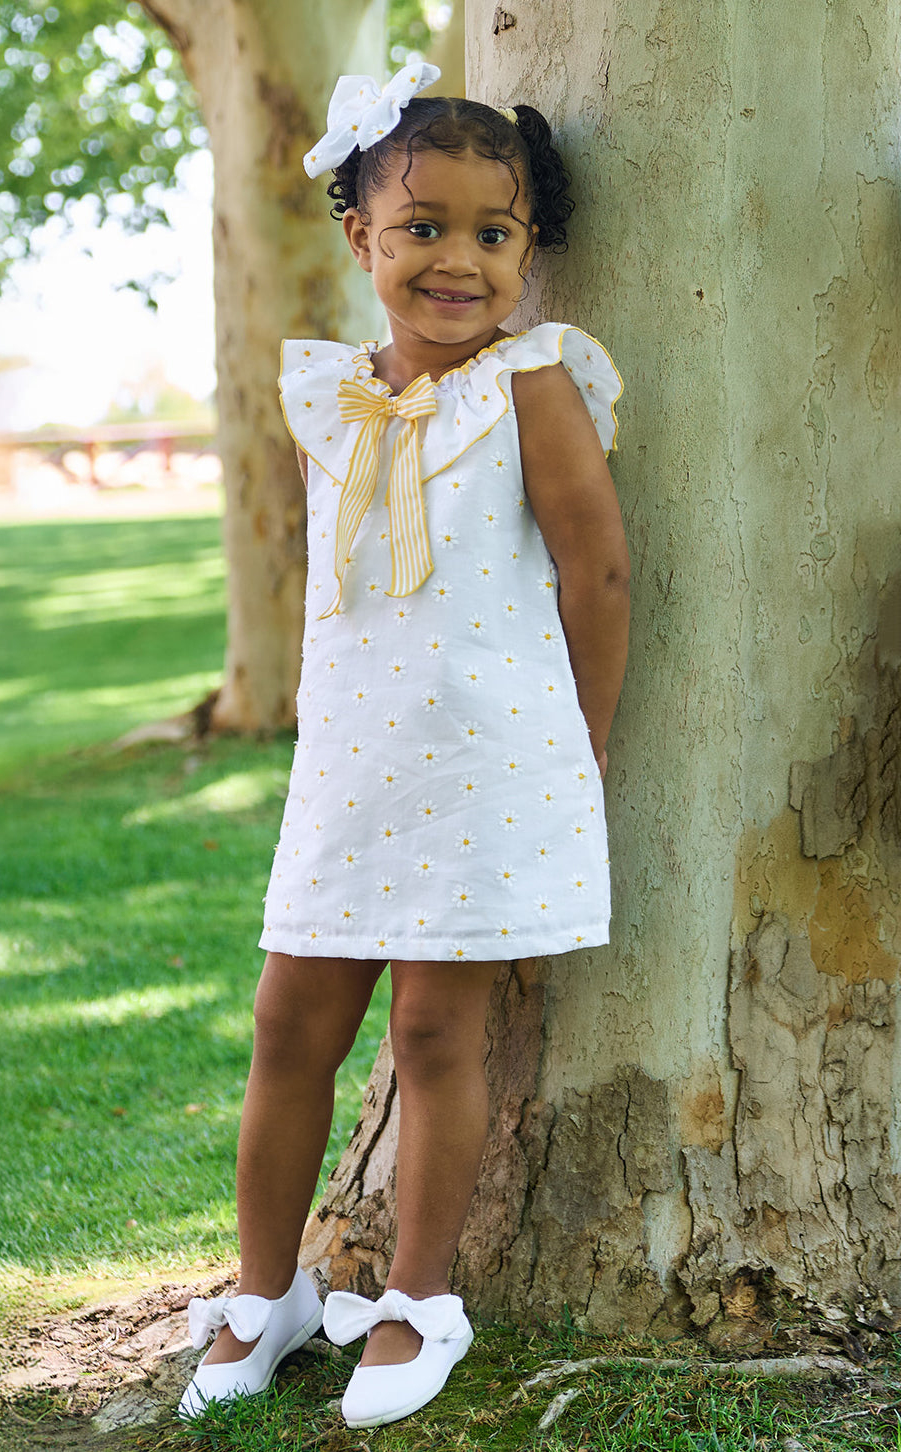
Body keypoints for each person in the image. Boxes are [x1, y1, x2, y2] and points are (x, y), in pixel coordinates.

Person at [179, 62, 630, 1430]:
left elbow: (596, 578)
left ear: (529, 248)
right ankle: (270, 1292)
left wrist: (582, 749)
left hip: (488, 765)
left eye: (495, 232)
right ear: (361, 234)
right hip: (351, 769)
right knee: (287, 1022)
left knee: (437, 1030)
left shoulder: (533, 386)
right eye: (422, 224)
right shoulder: (331, 393)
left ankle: (419, 1297)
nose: (458, 258)